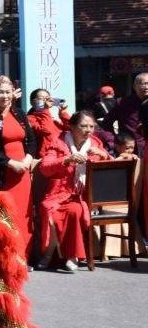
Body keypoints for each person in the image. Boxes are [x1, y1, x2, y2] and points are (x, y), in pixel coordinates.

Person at [37, 111, 111, 272]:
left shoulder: (95, 143)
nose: (88, 130)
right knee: (50, 212)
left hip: (84, 195)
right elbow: (45, 168)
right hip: (58, 194)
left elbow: (109, 167)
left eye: (92, 126)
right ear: (71, 126)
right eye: (83, 126)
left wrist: (103, 155)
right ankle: (48, 255)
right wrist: (67, 160)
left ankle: (72, 256)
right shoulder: (59, 142)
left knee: (75, 210)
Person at [0, 75, 38, 259]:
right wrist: (11, 163)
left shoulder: (19, 113)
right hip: (3, 172)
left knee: (24, 214)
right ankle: (7, 256)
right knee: (5, 215)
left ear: (13, 93)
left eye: (7, 92)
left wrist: (27, 160)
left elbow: (31, 140)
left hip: (23, 172)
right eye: (0, 92)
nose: (4, 96)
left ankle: (24, 256)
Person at [102, 72, 148, 153]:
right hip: (128, 149)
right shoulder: (123, 103)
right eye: (143, 84)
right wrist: (115, 140)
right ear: (134, 87)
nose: (146, 87)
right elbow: (107, 122)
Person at [26, 88, 70, 154]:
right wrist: (45, 109)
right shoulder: (29, 118)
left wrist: (63, 113)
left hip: (62, 153)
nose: (45, 101)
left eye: (47, 98)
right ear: (32, 102)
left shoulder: (50, 117)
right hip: (46, 155)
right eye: (42, 98)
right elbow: (46, 130)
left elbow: (70, 128)